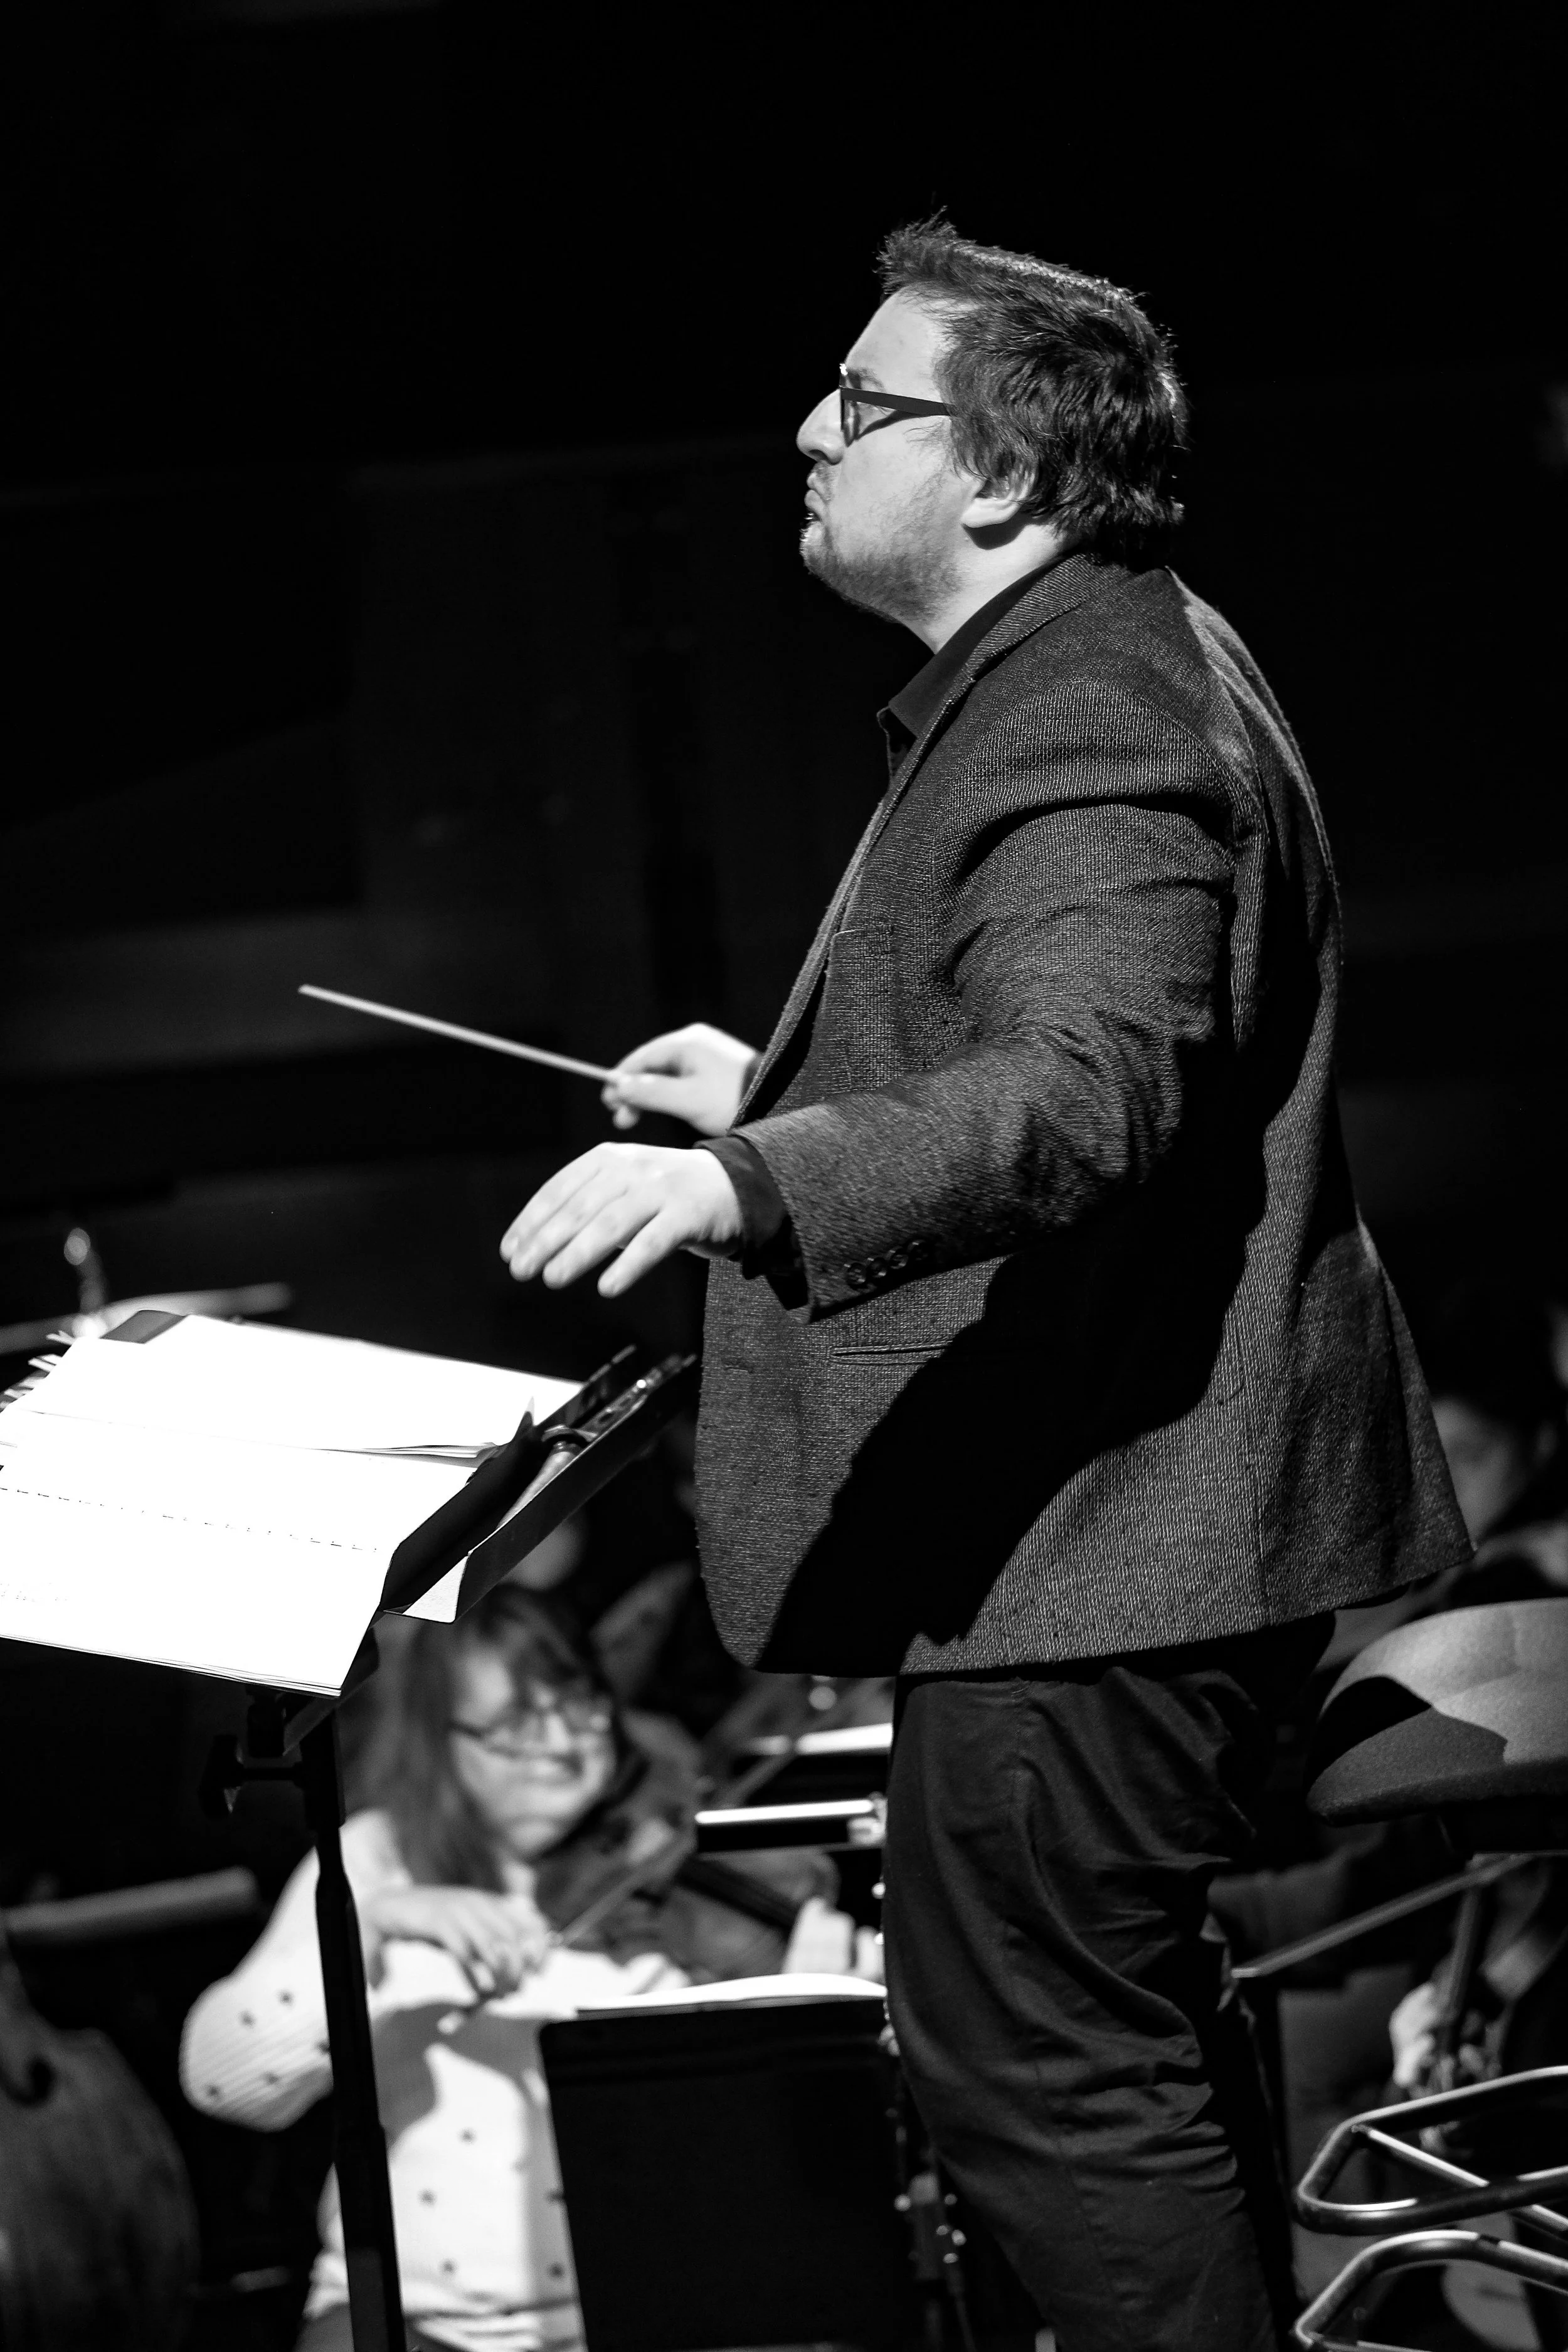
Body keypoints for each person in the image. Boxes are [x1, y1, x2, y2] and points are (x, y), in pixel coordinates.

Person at [497, 221, 1469, 2350]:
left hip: (1112, 1564)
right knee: (1076, 2075)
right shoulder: (1100, 667)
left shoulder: (1091, 712)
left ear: (1010, 479)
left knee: (1052, 2102)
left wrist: (756, 1181)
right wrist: (773, 1084)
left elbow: (1094, 1090)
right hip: (1112, 1551)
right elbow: (1112, 1051)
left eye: (866, 403)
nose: (808, 430)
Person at [181, 1586, 870, 2352]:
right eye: (515, 1723)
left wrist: (805, 2032)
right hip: (406, 2320)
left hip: (648, 2318)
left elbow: (769, 2166)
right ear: (440, 1739)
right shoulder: (373, 1862)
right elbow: (225, 2085)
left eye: (578, 1705)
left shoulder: (678, 1884)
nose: (561, 1744)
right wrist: (371, 1930)